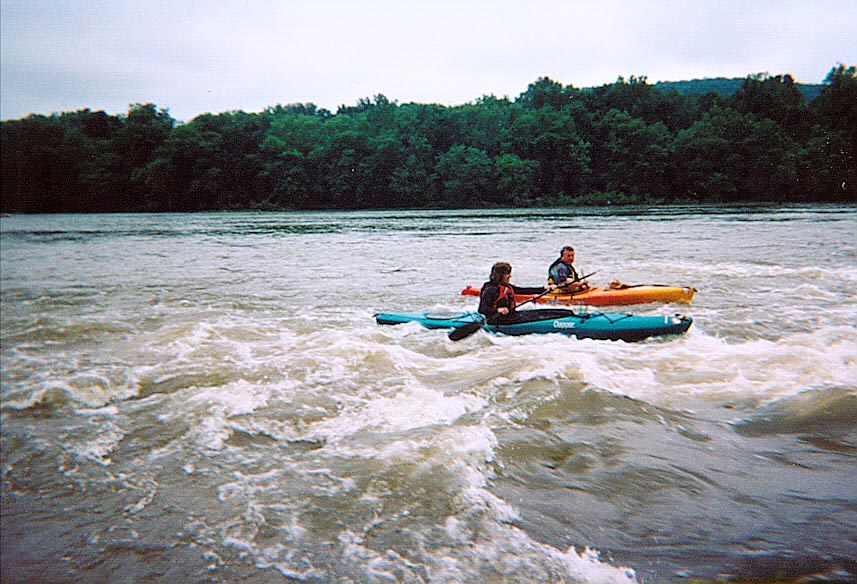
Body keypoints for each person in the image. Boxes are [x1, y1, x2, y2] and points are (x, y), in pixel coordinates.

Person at [478, 262, 555, 322]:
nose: (510, 276)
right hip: (497, 320)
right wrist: (498, 310)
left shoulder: (506, 286)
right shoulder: (490, 289)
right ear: (500, 275)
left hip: (510, 316)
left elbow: (523, 290)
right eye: (508, 274)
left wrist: (545, 288)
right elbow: (482, 309)